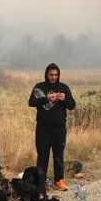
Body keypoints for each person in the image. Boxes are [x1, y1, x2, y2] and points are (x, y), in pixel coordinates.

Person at [28, 63, 76, 191]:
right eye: (51, 75)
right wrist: (46, 98)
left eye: (56, 75)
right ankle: (41, 182)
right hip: (43, 128)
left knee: (58, 156)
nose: (53, 77)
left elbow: (72, 105)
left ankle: (59, 180)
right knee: (42, 156)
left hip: (59, 128)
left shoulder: (64, 87)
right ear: (46, 75)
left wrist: (63, 99)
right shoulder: (39, 87)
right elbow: (31, 102)